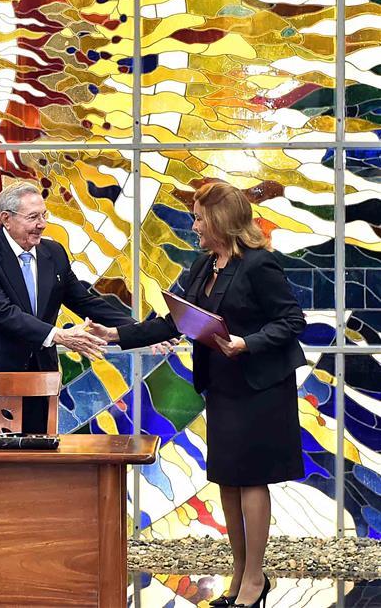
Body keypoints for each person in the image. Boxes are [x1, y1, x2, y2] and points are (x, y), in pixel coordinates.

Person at [91, 182, 306, 608]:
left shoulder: (259, 265)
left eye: (199, 218)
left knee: (250, 480)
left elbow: (291, 320)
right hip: (223, 387)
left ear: (221, 221)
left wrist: (249, 342)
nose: (194, 226)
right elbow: (172, 321)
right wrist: (116, 334)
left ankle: (254, 581)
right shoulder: (204, 266)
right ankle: (241, 576)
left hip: (260, 388)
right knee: (227, 479)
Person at [0, 181, 142, 433]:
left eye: (44, 215)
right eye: (33, 217)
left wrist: (140, 330)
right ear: (6, 218)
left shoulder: (53, 252)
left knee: (38, 467)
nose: (42, 224)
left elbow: (84, 300)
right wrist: (59, 336)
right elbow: (0, 312)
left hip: (40, 380)